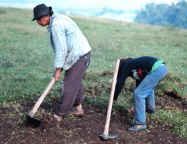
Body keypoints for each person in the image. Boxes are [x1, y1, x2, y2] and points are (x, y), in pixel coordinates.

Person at [32, 4, 91, 121]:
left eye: (38, 20)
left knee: (69, 85)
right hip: (81, 53)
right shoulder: (58, 18)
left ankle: (59, 114)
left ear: (44, 17)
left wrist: (58, 69)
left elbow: (61, 49)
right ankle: (78, 108)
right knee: (75, 82)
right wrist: (62, 65)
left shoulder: (56, 25)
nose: (37, 23)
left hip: (79, 55)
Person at [114, 56, 168, 131]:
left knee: (138, 94)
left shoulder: (127, 65)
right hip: (162, 68)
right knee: (145, 88)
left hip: (158, 69)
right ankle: (150, 108)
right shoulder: (137, 66)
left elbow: (120, 82)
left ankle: (140, 123)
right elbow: (141, 83)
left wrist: (114, 97)